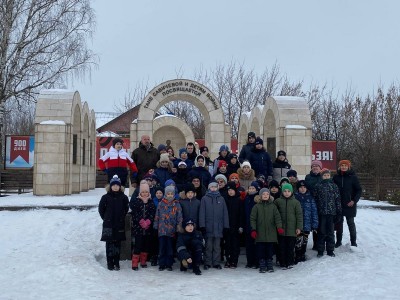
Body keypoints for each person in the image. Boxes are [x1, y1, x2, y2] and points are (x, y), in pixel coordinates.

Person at [98, 175, 129, 271]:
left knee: (117, 244)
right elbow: (101, 209)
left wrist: (121, 217)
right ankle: (109, 262)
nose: (115, 187)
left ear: (120, 186)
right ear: (110, 186)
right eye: (113, 185)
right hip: (109, 224)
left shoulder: (123, 197)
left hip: (119, 224)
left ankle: (116, 262)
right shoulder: (105, 197)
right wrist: (106, 218)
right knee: (109, 244)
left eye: (117, 185)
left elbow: (126, 208)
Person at [250, 188, 283, 273]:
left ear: (269, 196)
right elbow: (252, 219)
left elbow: (277, 218)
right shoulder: (256, 206)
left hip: (271, 234)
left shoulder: (273, 206)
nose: (265, 195)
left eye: (267, 194)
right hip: (260, 234)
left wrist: (279, 227)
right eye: (263, 194)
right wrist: (253, 229)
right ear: (260, 196)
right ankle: (262, 264)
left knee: (269, 250)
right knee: (260, 250)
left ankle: (269, 263)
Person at [199, 181, 229, 270]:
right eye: (211, 187)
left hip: (218, 227)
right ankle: (207, 262)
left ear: (217, 188)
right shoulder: (204, 199)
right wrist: (202, 225)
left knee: (217, 246)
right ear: (209, 188)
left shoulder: (221, 199)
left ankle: (216, 262)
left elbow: (225, 213)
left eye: (215, 187)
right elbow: (202, 213)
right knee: (208, 246)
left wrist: (225, 226)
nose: (213, 189)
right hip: (208, 227)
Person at [333, 160, 362, 247]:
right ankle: (338, 241)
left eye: (345, 165)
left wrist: (354, 201)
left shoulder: (353, 177)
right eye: (342, 165)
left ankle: (353, 242)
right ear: (339, 166)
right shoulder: (336, 177)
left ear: (348, 166)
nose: (344, 167)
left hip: (350, 204)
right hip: (339, 204)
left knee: (351, 223)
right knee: (339, 224)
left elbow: (359, 190)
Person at [153, 185, 183, 271]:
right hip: (162, 229)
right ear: (165, 194)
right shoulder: (161, 203)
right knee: (162, 247)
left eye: (171, 194)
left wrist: (179, 226)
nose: (170, 195)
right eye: (168, 194)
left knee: (170, 248)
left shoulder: (176, 204)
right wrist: (156, 225)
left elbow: (179, 216)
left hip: (171, 230)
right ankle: (162, 263)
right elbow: (157, 216)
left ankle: (169, 264)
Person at [274, 183, 303, 269]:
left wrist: (299, 227)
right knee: (281, 247)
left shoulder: (296, 202)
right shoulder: (278, 201)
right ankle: (282, 262)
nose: (286, 193)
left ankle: (290, 262)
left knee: (290, 247)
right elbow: (275, 214)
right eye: (285, 191)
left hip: (292, 230)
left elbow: (299, 215)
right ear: (282, 192)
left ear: (292, 192)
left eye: (288, 191)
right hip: (281, 230)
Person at [314, 169, 342, 257]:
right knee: (321, 232)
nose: (326, 177)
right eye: (324, 175)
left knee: (330, 232)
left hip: (331, 213)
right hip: (321, 213)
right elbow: (315, 199)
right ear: (322, 176)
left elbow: (337, 200)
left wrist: (338, 211)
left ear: (330, 176)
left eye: (328, 175)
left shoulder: (334, 186)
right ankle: (320, 250)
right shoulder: (318, 186)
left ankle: (330, 250)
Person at [129, 182, 156, 270]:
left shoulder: (151, 203)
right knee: (138, 245)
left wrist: (148, 221)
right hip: (138, 228)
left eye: (146, 192)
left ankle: (143, 261)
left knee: (146, 245)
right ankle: (135, 262)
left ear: (149, 193)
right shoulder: (137, 202)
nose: (145, 194)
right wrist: (140, 221)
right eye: (143, 192)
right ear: (140, 193)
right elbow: (135, 213)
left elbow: (153, 213)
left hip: (148, 228)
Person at [294, 180, 318, 263]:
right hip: (298, 224)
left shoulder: (310, 197)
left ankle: (303, 254)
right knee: (298, 240)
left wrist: (315, 224)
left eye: (304, 187)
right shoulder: (295, 197)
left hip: (307, 223)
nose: (302, 189)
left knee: (305, 239)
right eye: (300, 187)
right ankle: (297, 254)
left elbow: (314, 211)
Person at [223, 181, 244, 269]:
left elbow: (241, 214)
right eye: (229, 190)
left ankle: (234, 261)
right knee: (227, 245)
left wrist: (240, 226)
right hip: (227, 226)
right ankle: (228, 259)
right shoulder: (225, 200)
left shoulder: (239, 200)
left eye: (232, 190)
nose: (230, 192)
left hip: (235, 226)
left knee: (235, 245)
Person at [305, 160, 323, 250]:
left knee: (321, 225)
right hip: (311, 203)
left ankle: (321, 244)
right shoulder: (308, 177)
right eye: (313, 166)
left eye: (317, 166)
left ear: (320, 168)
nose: (315, 167)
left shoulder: (323, 176)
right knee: (314, 224)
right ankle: (315, 244)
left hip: (322, 204)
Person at [243, 181, 260, 268]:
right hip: (247, 225)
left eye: (253, 188)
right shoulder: (246, 198)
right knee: (249, 245)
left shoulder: (258, 199)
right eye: (250, 188)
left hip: (256, 226)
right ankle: (250, 262)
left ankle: (257, 262)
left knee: (256, 245)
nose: (251, 190)